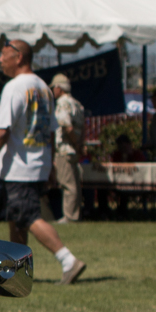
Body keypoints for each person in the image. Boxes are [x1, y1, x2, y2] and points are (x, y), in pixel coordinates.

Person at [0, 39, 87, 284]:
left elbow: (2, 130)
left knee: (28, 216)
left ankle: (68, 260)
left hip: (20, 165)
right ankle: (15, 273)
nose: (0, 59)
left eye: (4, 54)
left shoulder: (15, 87)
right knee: (17, 218)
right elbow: (51, 131)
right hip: (38, 162)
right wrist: (50, 164)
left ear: (18, 57)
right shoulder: (43, 87)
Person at [50, 73, 86, 223]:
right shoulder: (76, 103)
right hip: (74, 149)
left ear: (59, 88)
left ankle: (70, 217)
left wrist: (75, 144)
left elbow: (66, 126)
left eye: (53, 88)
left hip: (65, 148)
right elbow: (82, 128)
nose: (52, 91)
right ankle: (74, 214)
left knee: (68, 184)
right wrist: (80, 145)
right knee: (74, 183)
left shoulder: (62, 104)